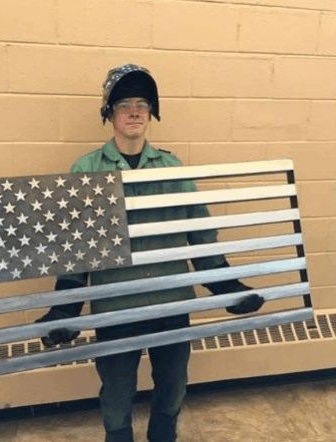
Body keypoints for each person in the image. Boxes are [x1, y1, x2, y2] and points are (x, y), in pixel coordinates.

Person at [36, 64, 264, 442]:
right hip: (116, 307)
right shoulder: (87, 170)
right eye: (124, 103)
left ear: (151, 111)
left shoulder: (172, 168)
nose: (135, 111)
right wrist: (66, 308)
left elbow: (200, 235)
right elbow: (75, 248)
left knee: (173, 386)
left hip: (171, 304)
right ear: (109, 113)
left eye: (143, 103)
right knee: (116, 392)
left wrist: (227, 287)